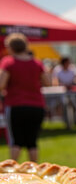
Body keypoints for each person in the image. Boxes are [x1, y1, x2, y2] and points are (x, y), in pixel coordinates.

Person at [0, 33, 50, 161]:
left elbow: (1, 84)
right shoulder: (36, 63)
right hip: (37, 106)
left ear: (11, 47)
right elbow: (47, 82)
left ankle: (11, 174)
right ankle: (35, 175)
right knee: (32, 142)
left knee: (16, 141)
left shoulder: (8, 62)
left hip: (16, 105)